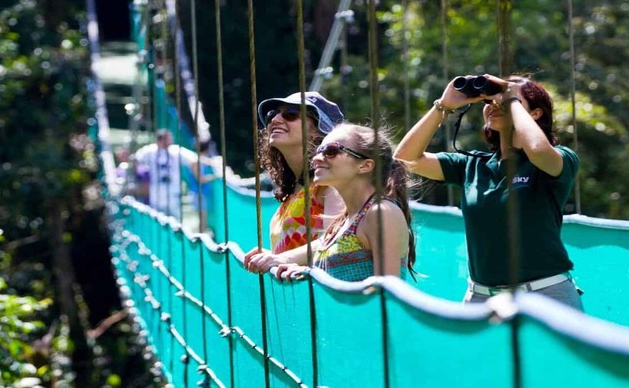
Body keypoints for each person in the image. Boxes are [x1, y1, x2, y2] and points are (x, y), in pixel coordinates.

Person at [393, 74, 582, 309]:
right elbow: (404, 159)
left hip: (546, 296)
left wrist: (510, 99)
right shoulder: (472, 165)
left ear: (535, 113)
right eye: (490, 101)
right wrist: (443, 106)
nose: (495, 105)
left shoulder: (559, 158)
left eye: (506, 101)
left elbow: (537, 149)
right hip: (482, 298)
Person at [275, 123, 416, 281]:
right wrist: (301, 271)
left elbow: (387, 294)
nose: (315, 159)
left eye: (331, 151)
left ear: (365, 165)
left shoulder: (381, 212)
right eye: (317, 151)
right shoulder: (341, 223)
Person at [243, 91, 345, 273]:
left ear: (318, 130)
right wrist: (272, 255)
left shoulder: (332, 183)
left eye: (290, 114)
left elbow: (335, 242)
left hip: (323, 298)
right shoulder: (295, 190)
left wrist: (280, 257)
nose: (275, 120)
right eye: (272, 114)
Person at [133, 129, 196, 219]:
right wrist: (141, 177)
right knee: (157, 220)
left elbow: (194, 159)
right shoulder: (149, 151)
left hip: (173, 193)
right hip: (156, 193)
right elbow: (135, 160)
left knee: (175, 222)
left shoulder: (176, 150)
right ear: (160, 140)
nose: (170, 141)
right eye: (168, 139)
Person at [189, 139, 221, 233]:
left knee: (204, 219)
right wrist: (215, 176)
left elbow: (211, 161)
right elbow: (200, 179)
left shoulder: (202, 160)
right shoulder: (195, 162)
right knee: (202, 220)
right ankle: (200, 239)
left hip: (203, 194)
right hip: (198, 194)